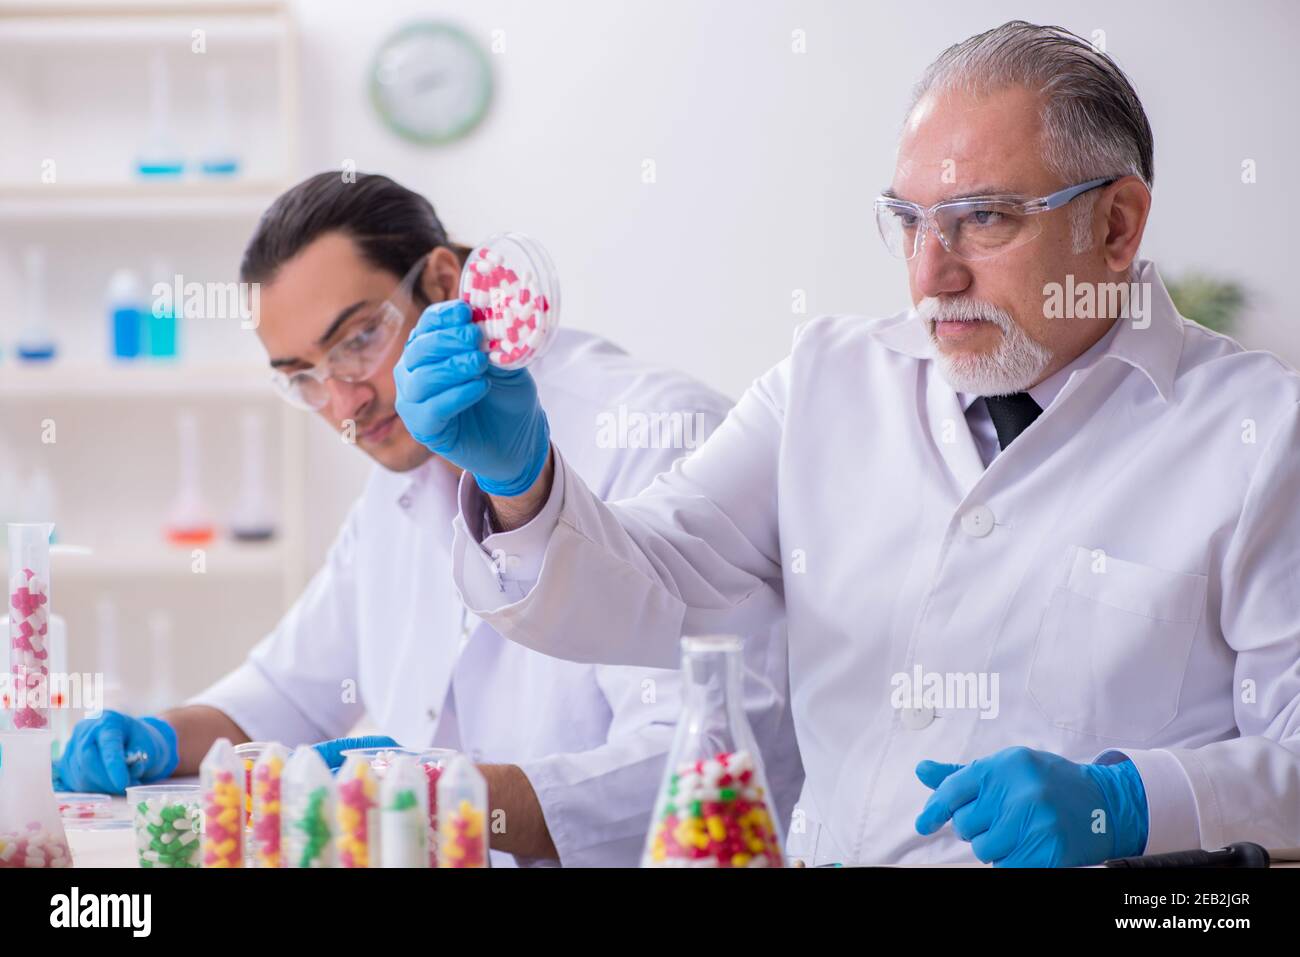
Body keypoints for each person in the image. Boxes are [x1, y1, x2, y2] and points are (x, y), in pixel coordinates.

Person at [398, 21, 1300, 866]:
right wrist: (518, 481)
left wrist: (1133, 799)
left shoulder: (1260, 434)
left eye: (983, 219)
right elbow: (656, 583)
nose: (930, 274)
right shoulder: (825, 381)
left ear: (1116, 226)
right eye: (908, 221)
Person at [57, 172, 802, 867]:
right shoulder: (400, 483)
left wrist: (447, 798)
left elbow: (714, 759)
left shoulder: (652, 431)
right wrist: (156, 737)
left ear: (444, 282)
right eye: (304, 378)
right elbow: (288, 690)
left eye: (356, 341)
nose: (343, 402)